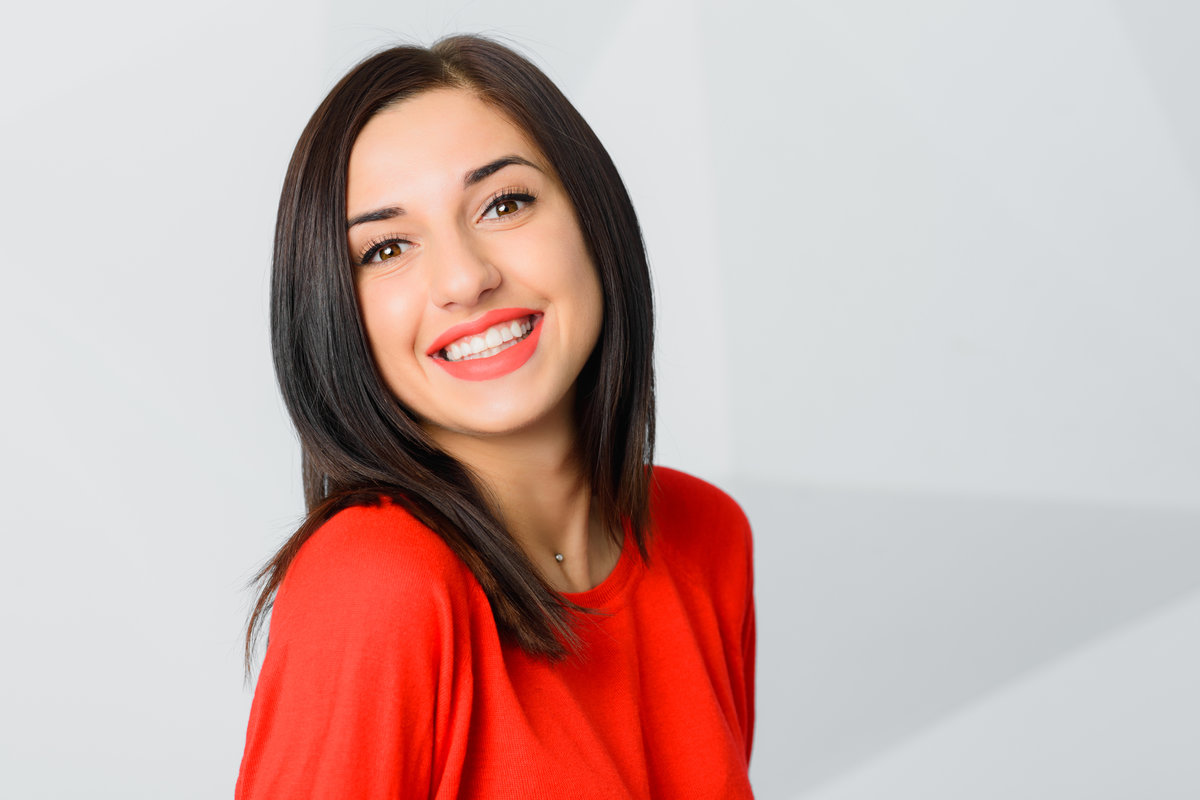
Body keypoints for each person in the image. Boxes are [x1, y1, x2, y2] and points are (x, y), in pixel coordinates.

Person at [236, 34, 756, 799]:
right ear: (335, 314)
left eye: (504, 204)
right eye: (386, 249)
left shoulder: (707, 538)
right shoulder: (374, 581)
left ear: (592, 217)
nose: (464, 278)